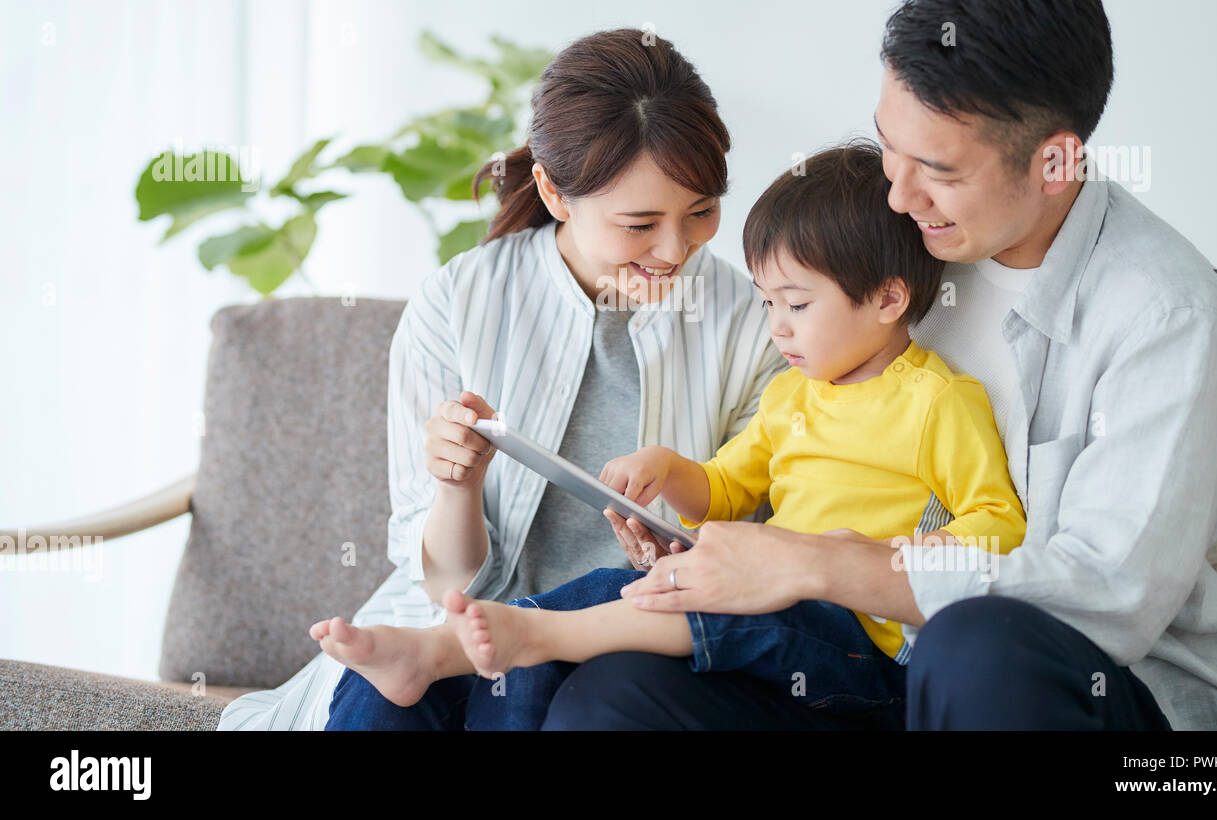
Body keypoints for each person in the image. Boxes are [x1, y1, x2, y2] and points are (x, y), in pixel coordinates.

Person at [540, 0, 1217, 731]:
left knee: (975, 647)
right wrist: (715, 557)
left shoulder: (1160, 309)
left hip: (1116, 702)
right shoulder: (896, 250)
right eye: (889, 145)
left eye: (938, 169)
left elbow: (1109, 597)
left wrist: (822, 563)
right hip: (876, 672)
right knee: (616, 694)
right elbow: (808, 463)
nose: (898, 192)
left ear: (1056, 161)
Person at [311, 142, 1028, 729]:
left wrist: (859, 558)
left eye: (797, 305)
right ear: (558, 197)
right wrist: (667, 471)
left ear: (889, 299)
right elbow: (724, 490)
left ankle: (528, 635)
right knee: (624, 586)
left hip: (857, 640)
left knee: (701, 602)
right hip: (769, 602)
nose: (777, 326)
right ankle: (474, 642)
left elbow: (998, 528)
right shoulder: (791, 395)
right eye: (769, 302)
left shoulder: (938, 402)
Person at [215, 28, 787, 730]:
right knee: (373, 707)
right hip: (454, 621)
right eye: (640, 224)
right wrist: (457, 487)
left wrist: (680, 536)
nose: (675, 249)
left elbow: (762, 536)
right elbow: (445, 582)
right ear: (553, 191)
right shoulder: (458, 302)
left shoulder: (754, 320)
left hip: (628, 637)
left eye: (701, 212)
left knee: (535, 700)